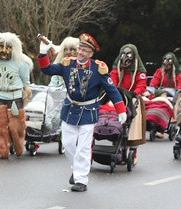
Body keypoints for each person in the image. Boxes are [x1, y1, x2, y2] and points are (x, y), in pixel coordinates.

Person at [37, 31, 125, 191]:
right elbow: (47, 70)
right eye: (80, 48)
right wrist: (43, 52)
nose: (80, 52)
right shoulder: (67, 64)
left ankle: (81, 180)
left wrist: (121, 110)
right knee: (68, 144)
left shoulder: (99, 68)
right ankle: (76, 170)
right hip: (70, 109)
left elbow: (112, 90)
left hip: (88, 111)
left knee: (83, 147)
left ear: (91, 53)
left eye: (85, 50)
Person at [0, 32, 31, 159]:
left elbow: (26, 82)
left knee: (16, 125)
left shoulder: (21, 63)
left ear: (13, 48)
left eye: (8, 47)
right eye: (1, 47)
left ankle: (17, 145)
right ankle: (0, 150)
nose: (4, 50)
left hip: (15, 97)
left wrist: (25, 92)